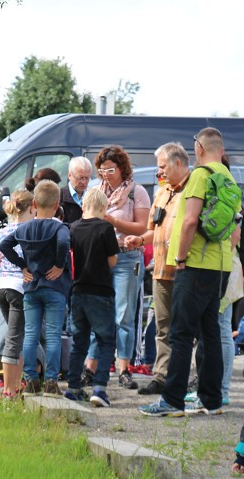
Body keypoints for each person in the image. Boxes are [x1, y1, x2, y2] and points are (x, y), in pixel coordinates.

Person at [140, 128, 239, 418]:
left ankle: (172, 401)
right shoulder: (228, 178)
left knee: (180, 334)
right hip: (219, 265)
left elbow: (190, 220)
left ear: (198, 148)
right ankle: (212, 400)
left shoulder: (201, 175)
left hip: (194, 263)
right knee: (209, 333)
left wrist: (180, 257)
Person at [82, 146, 150, 390]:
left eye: (111, 169)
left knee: (123, 315)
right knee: (97, 313)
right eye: (102, 170)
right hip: (99, 258)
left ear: (122, 168)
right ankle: (91, 367)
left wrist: (113, 221)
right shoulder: (94, 191)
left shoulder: (136, 192)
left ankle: (123, 369)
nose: (106, 174)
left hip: (126, 258)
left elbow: (143, 227)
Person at [0, 179, 71, 395]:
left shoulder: (26, 228)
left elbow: (4, 245)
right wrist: (59, 264)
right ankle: (50, 381)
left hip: (31, 288)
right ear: (57, 204)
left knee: (30, 335)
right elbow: (64, 243)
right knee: (53, 334)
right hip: (54, 287)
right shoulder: (60, 227)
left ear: (35, 205)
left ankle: (30, 380)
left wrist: (22, 267)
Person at [137, 143, 190, 397]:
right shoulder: (162, 192)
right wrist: (139, 240)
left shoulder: (193, 190)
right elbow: (152, 229)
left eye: (163, 167)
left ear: (178, 163)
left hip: (185, 269)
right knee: (162, 327)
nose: (160, 173)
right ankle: (161, 376)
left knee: (186, 327)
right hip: (160, 270)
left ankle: (186, 378)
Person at [64, 187, 119, 408]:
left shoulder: (72, 228)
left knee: (79, 342)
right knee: (106, 340)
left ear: (83, 206)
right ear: (104, 208)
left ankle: (73, 387)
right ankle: (99, 388)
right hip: (100, 292)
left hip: (77, 291)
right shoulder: (106, 227)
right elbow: (112, 261)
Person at [0, 190, 33, 398]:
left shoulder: (0, 233)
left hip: (1, 287)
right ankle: (8, 390)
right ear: (32, 208)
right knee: (14, 340)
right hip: (18, 288)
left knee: (16, 336)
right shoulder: (30, 232)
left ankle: (15, 383)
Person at [61, 156, 93, 225]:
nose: (83, 182)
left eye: (87, 178)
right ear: (69, 175)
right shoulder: (59, 197)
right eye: (80, 178)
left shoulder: (93, 197)